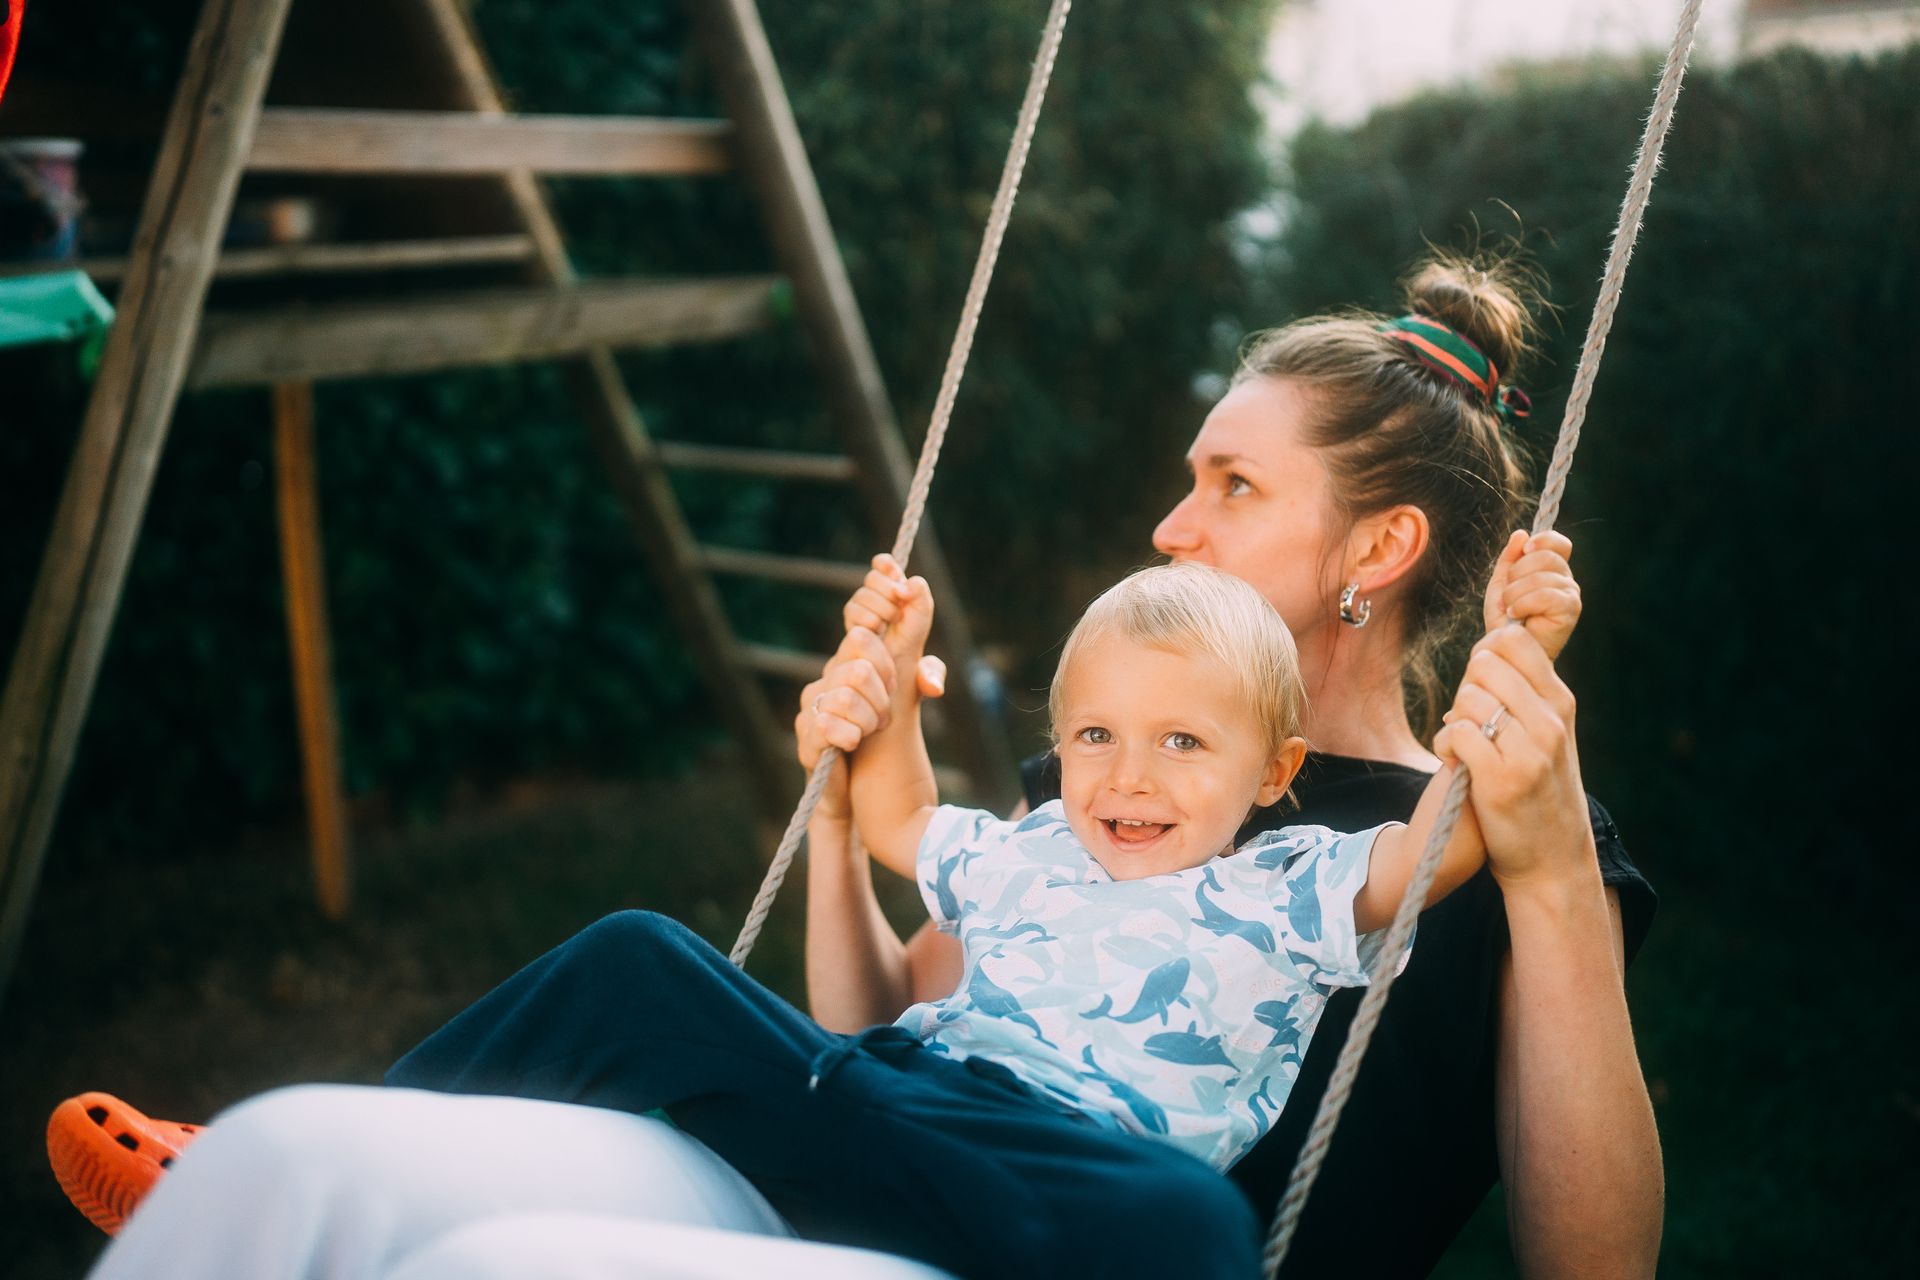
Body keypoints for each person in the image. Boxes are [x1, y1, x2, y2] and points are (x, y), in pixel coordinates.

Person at [74, 253, 1660, 1278]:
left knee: (1176, 1229)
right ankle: (231, 1164)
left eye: (1230, 485)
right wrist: (843, 805)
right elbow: (879, 1026)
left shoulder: (1490, 827)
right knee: (549, 1015)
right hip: (888, 1144)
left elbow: (1592, 1266)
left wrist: (1544, 857)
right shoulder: (1100, 778)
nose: (1173, 524)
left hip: (1098, 1238)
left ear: (1376, 547)